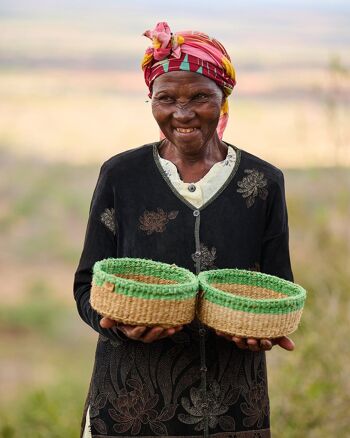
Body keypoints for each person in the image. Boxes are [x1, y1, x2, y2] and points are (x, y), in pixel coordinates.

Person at [74, 22, 295, 438]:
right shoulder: (122, 175)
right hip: (128, 408)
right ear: (151, 101)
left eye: (200, 97)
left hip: (232, 410)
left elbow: (277, 285)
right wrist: (118, 323)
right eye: (165, 99)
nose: (182, 113)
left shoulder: (263, 182)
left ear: (224, 99)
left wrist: (265, 331)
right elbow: (87, 286)